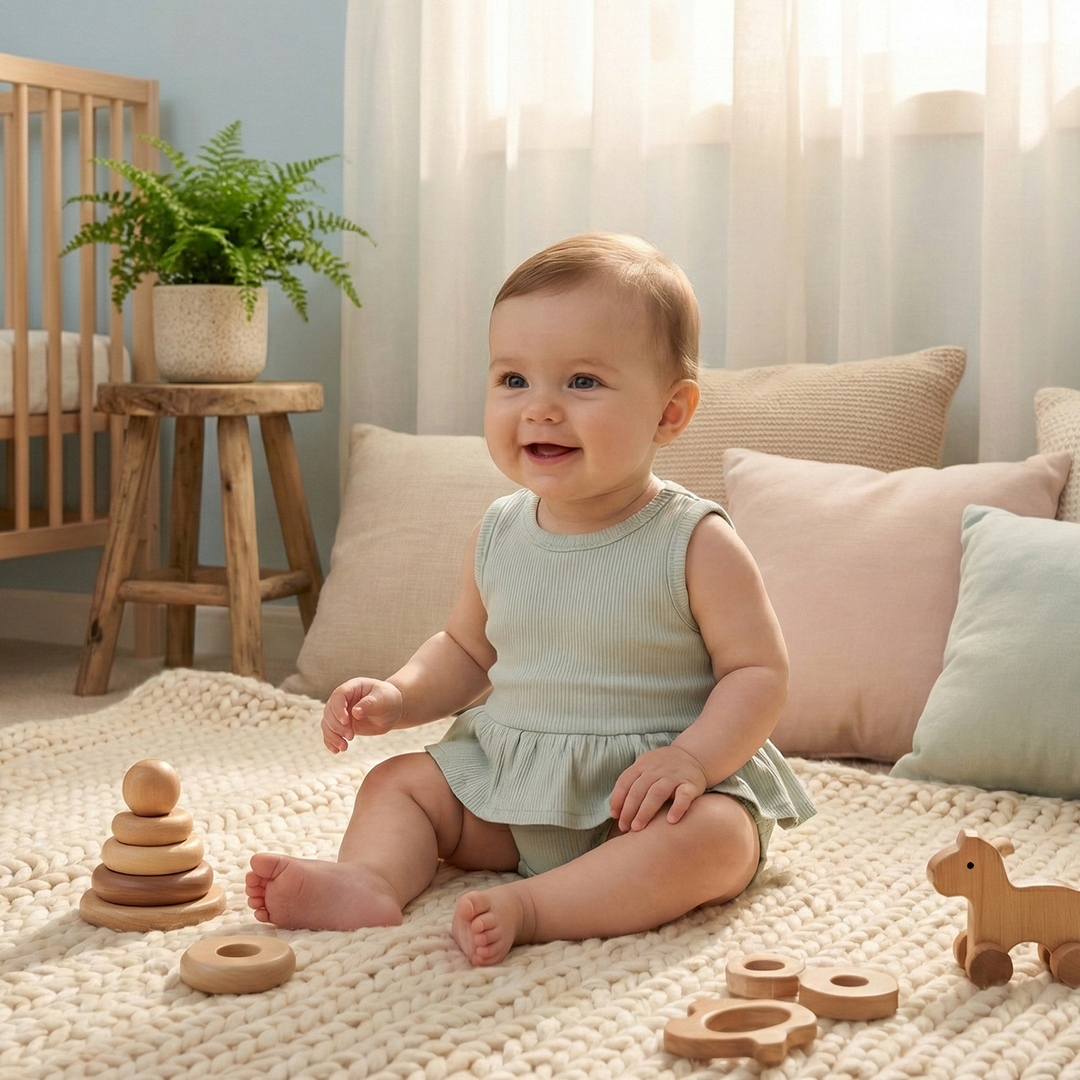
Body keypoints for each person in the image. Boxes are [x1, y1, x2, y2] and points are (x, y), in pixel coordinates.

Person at [246, 232, 815, 965]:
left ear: (670, 413)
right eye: (514, 379)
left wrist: (694, 762)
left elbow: (758, 673)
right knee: (400, 783)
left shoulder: (694, 540)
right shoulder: (499, 532)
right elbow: (464, 650)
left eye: (582, 381)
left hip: (648, 800)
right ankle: (369, 879)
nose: (540, 408)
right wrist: (399, 696)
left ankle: (539, 906)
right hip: (514, 790)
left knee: (718, 840)